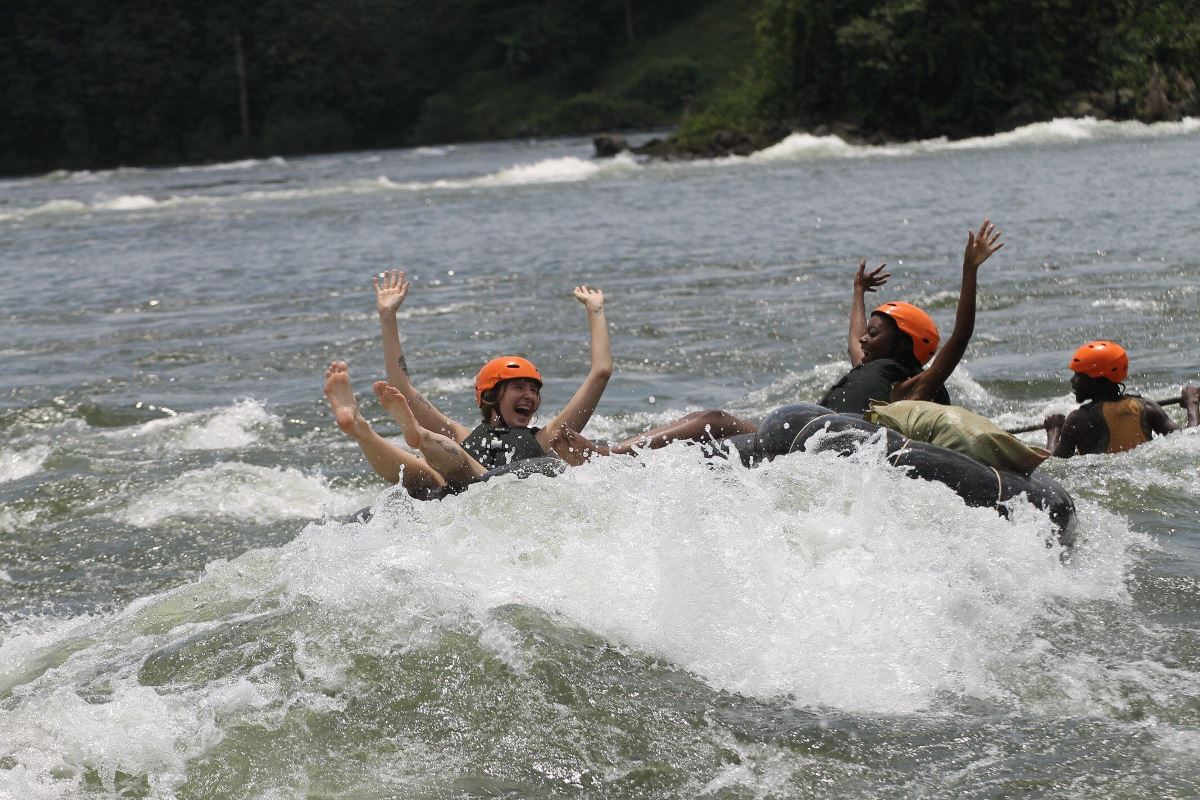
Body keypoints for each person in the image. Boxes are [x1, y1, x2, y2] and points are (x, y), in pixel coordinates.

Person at [561, 219, 1003, 458]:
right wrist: (856, 291)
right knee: (708, 417)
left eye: (874, 334)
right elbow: (853, 337)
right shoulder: (869, 367)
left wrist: (969, 270)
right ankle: (618, 455)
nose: (863, 341)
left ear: (904, 347)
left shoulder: (912, 386)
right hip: (794, 441)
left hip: (829, 455)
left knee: (713, 417)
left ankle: (610, 455)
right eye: (866, 333)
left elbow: (959, 340)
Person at [363, 270, 613, 490]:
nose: (529, 395)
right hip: (459, 493)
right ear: (490, 395)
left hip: (487, 485)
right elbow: (402, 387)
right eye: (518, 387)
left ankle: (420, 436)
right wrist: (388, 316)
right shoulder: (460, 435)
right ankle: (361, 430)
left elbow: (600, 372)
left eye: (533, 390)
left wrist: (595, 309)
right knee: (424, 475)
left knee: (463, 466)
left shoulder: (549, 438)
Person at [1043, 340, 1200, 457]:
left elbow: (1053, 465)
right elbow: (1190, 439)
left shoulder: (1078, 420)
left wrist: (1054, 432)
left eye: (1078, 375)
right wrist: (1192, 404)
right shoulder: (1147, 408)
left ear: (1097, 380)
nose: (1072, 380)